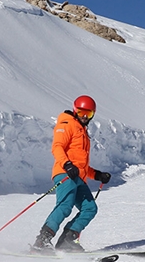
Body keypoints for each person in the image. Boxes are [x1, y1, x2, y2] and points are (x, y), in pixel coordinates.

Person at [32, 95, 111, 252]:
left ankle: (67, 241)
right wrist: (67, 164)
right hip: (64, 173)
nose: (84, 117)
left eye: (88, 114)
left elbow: (80, 164)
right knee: (65, 206)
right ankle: (42, 242)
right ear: (75, 110)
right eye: (81, 112)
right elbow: (57, 146)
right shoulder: (67, 124)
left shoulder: (82, 131)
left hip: (78, 177)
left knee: (90, 208)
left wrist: (97, 175)